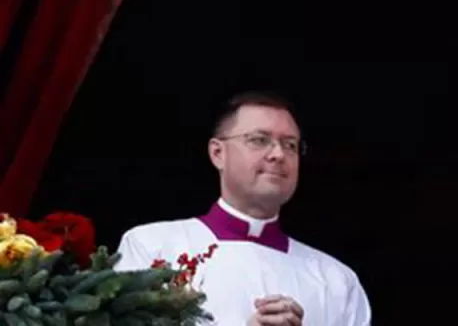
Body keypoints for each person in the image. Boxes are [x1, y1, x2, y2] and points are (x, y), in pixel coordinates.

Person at [114, 91, 371, 326]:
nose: (278, 154)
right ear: (218, 153)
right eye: (259, 140)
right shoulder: (151, 245)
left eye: (290, 145)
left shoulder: (335, 280)